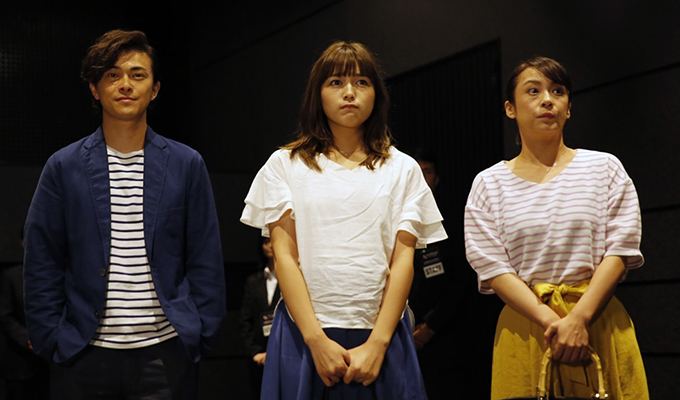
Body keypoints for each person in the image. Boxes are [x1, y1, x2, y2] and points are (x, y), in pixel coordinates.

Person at [23, 29, 226, 400]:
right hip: (82, 354)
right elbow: (42, 259)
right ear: (94, 88)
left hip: (166, 353)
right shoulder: (63, 166)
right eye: (112, 75)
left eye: (137, 74)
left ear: (155, 88)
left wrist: (202, 330)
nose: (126, 85)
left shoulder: (186, 164)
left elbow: (204, 255)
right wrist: (51, 336)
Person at [240, 41, 447, 399]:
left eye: (361, 82)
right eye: (336, 82)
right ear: (317, 94)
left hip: (382, 336)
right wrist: (315, 340)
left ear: (376, 94)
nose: (349, 93)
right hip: (303, 336)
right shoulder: (284, 165)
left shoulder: (403, 169)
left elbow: (403, 262)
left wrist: (378, 344)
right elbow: (284, 256)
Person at [464, 56, 648, 399]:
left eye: (557, 91)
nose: (547, 100)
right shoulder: (489, 183)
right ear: (510, 108)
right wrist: (552, 321)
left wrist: (579, 319)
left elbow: (621, 249)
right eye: (533, 91)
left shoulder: (605, 168)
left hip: (597, 320)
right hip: (527, 327)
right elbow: (492, 266)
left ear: (568, 108)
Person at [0, 231, 49, 400]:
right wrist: (28, 339)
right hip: (18, 362)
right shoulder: (11, 276)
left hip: (48, 363)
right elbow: (4, 316)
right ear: (22, 243)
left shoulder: (54, 275)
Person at [238, 236, 280, 399]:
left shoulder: (292, 279)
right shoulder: (254, 280)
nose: (269, 245)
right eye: (265, 242)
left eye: (272, 240)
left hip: (285, 351)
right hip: (259, 354)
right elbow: (245, 319)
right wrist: (254, 352)